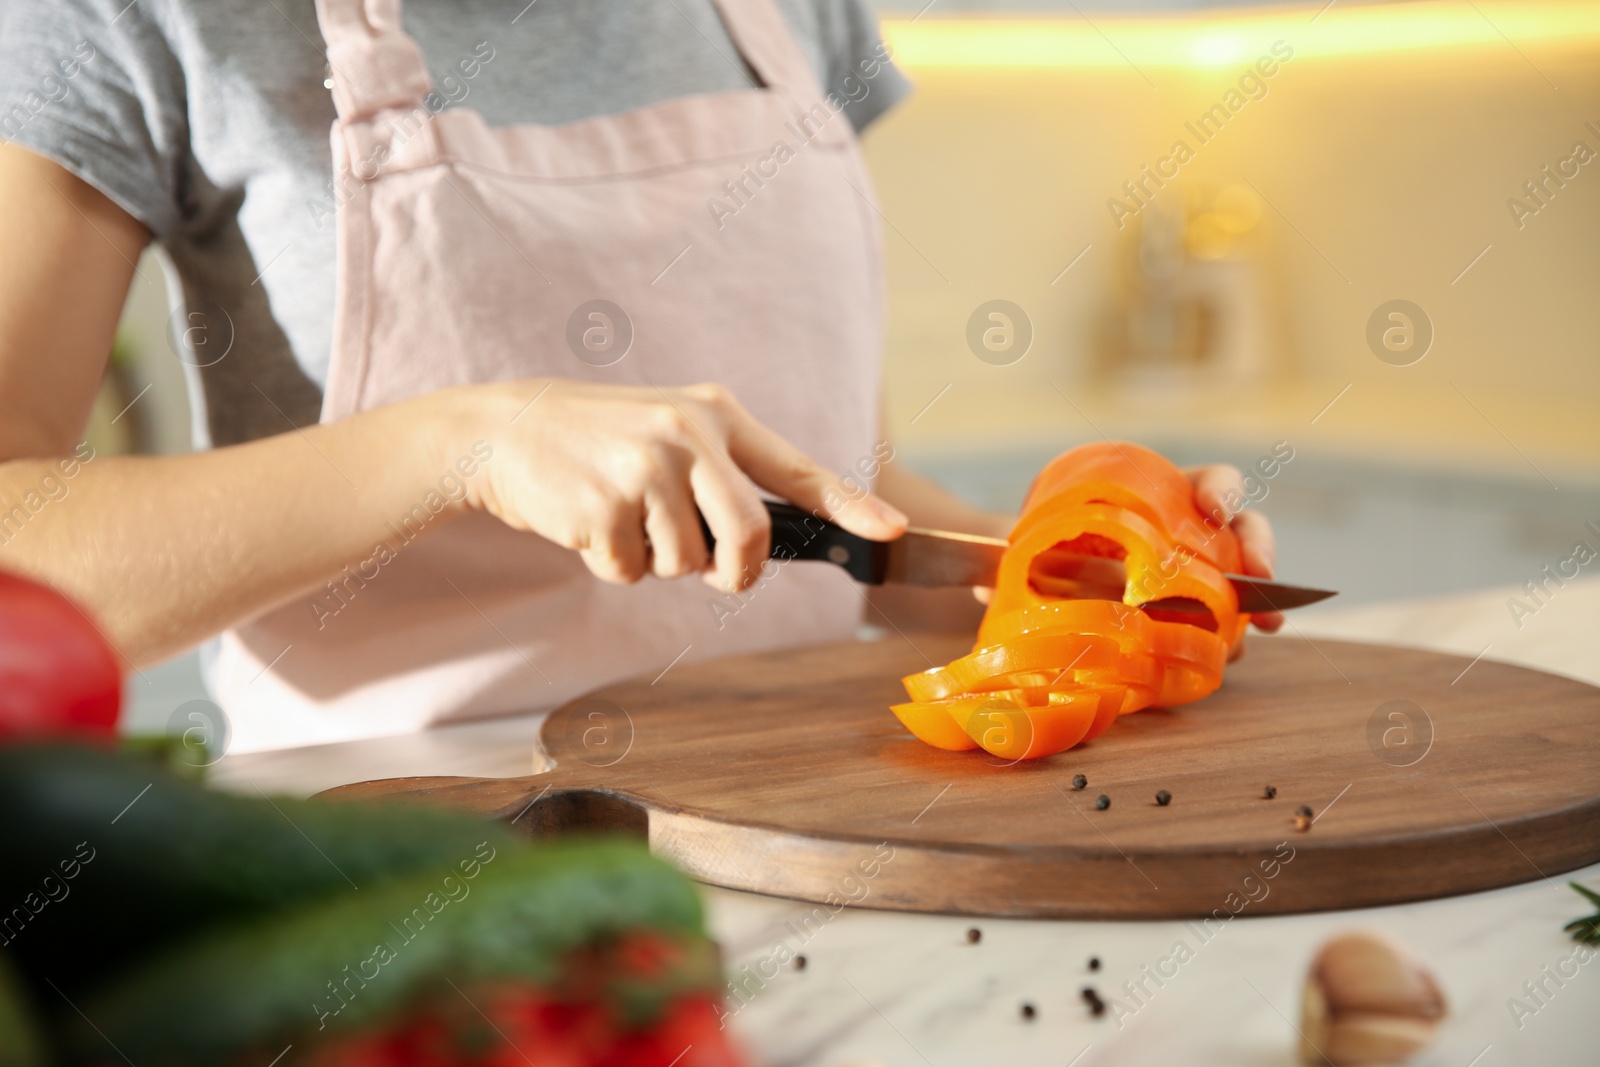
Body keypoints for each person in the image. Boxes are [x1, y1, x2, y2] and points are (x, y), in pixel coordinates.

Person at [0, 0, 1279, 753]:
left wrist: (1090, 567)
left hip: (832, 826)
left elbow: (849, 502)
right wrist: (463, 447)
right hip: (392, 887)